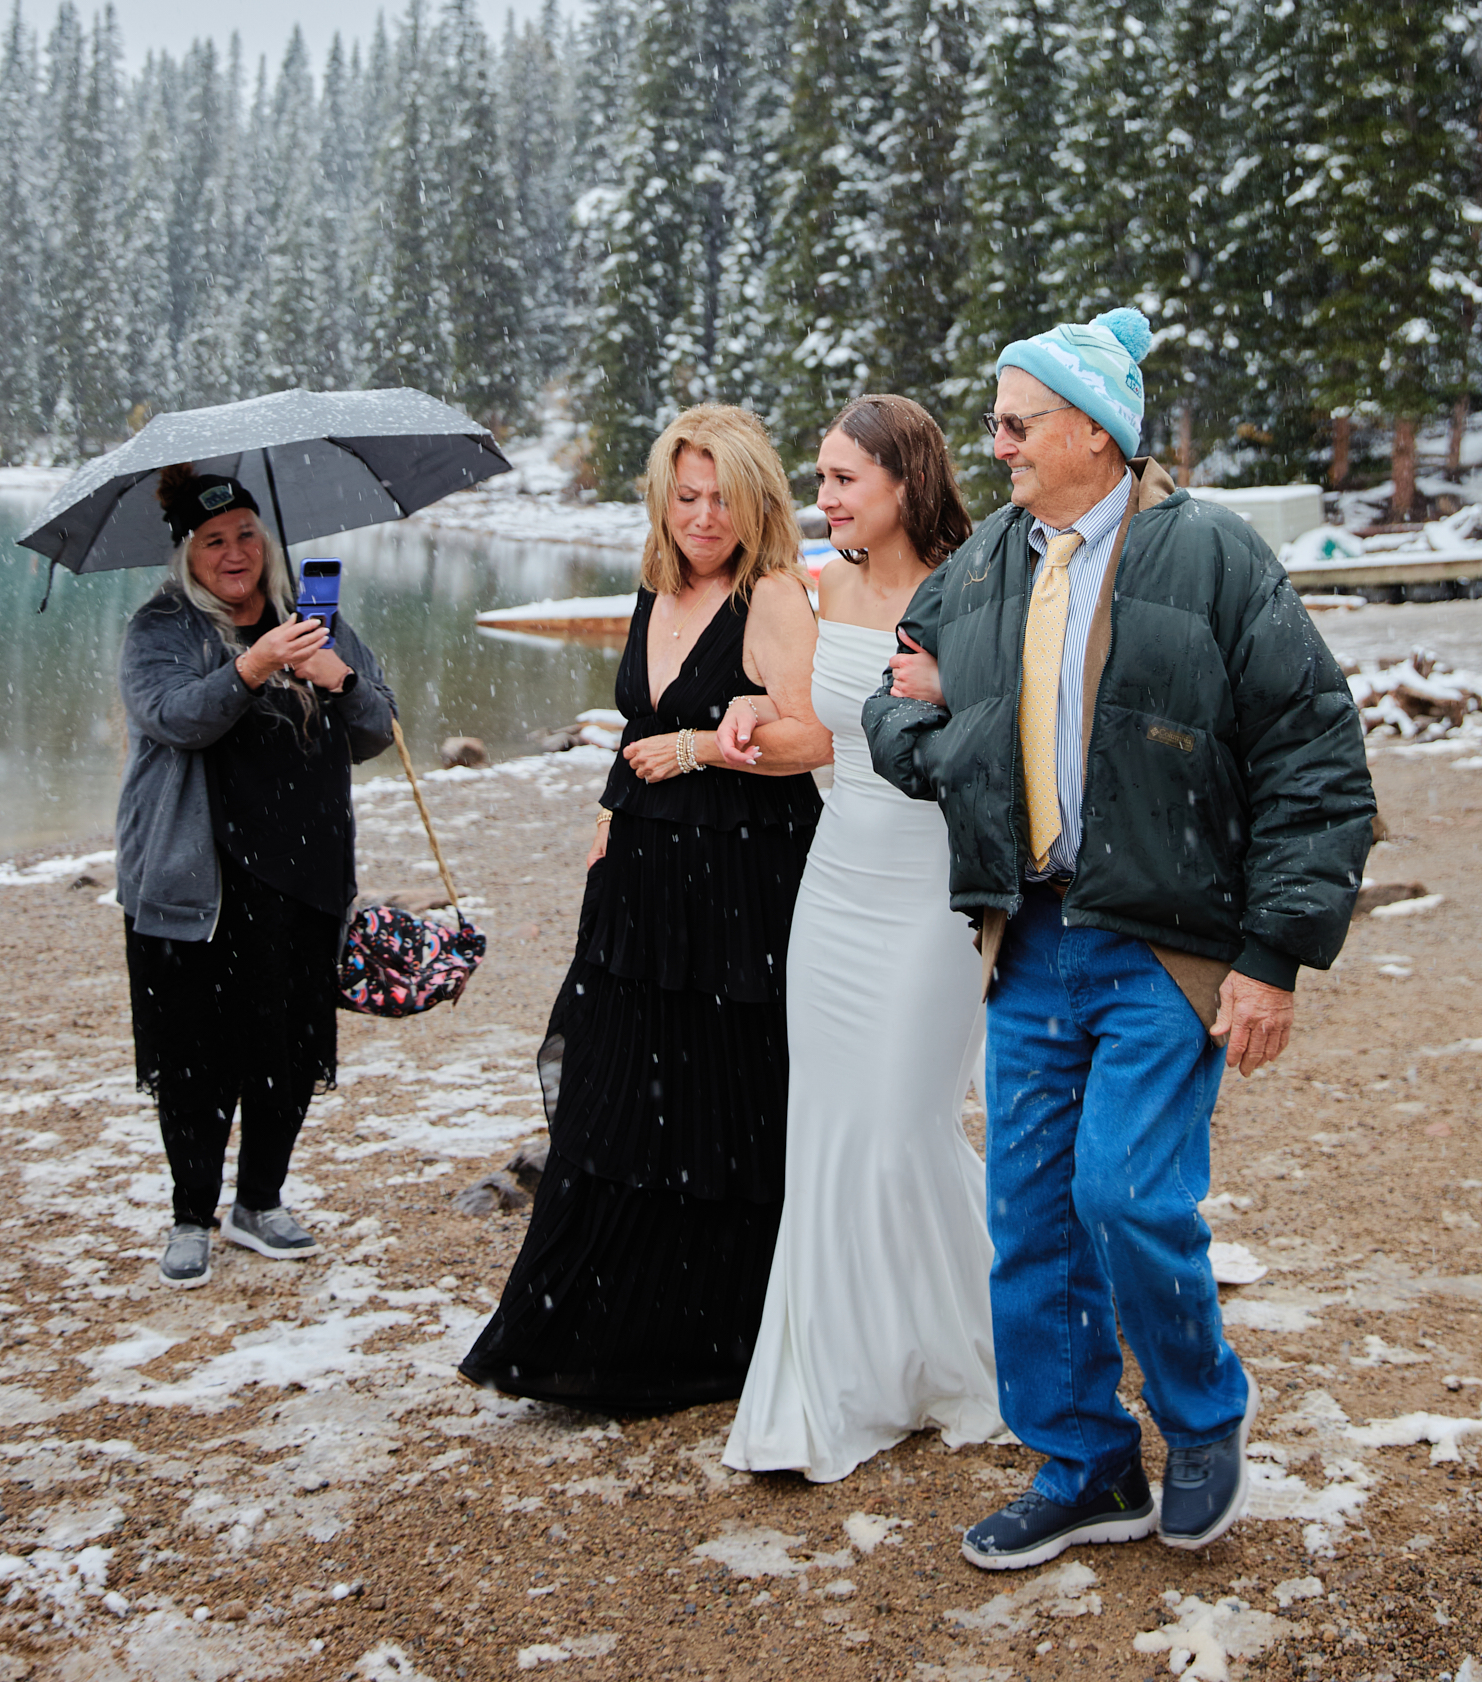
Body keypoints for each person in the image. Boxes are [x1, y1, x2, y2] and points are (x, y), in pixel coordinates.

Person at [864, 308, 1376, 1568]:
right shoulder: (982, 563)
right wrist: (940, 731)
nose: (995, 446)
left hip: (1166, 941)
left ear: (1094, 428)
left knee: (1126, 1193)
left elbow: (1316, 757)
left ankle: (1203, 1418)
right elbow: (893, 701)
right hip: (1026, 940)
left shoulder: (1210, 554)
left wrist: (1272, 957)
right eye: (994, 422)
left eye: (1015, 422)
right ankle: (1085, 1461)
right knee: (1030, 1212)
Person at [459, 405, 826, 1412]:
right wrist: (607, 819)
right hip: (637, 876)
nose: (703, 516)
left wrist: (705, 747)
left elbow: (813, 739)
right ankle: (584, 1331)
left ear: (756, 501)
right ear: (662, 498)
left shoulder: (774, 594)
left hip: (742, 881)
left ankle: (709, 1341)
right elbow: (638, 720)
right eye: (686, 494)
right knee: (616, 1096)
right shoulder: (656, 584)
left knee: (721, 1103)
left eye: (722, 497)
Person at [720, 396, 1004, 1483]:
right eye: (821, 476)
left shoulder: (980, 579)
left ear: (904, 480)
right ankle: (839, 1374)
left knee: (902, 1123)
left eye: (843, 479)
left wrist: (959, 686)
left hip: (937, 885)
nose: (823, 496)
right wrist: (745, 716)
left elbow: (1024, 722)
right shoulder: (814, 586)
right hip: (834, 882)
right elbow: (805, 728)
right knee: (831, 1130)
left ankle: (977, 1338)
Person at [116, 466, 397, 1290]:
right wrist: (252, 665)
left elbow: (378, 726)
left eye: (245, 534)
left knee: (288, 1047)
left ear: (265, 541)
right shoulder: (160, 628)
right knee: (195, 1055)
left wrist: (334, 676)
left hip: (304, 877)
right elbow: (173, 718)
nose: (234, 552)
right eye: (213, 541)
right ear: (188, 556)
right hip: (196, 884)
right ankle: (190, 1215)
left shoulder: (315, 619)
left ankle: (260, 1201)